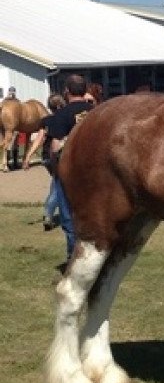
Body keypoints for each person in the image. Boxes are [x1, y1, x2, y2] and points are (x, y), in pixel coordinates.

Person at [46, 74, 93, 264]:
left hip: (70, 174)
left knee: (69, 219)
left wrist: (54, 167)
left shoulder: (61, 115)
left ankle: (74, 260)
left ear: (66, 92)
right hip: (95, 174)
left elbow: (56, 148)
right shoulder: (96, 112)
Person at [23, 93, 66, 230]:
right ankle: (49, 213)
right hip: (58, 154)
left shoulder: (45, 121)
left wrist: (28, 156)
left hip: (46, 156)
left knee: (57, 183)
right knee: (59, 184)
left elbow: (39, 139)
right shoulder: (64, 118)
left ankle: (52, 213)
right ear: (60, 105)